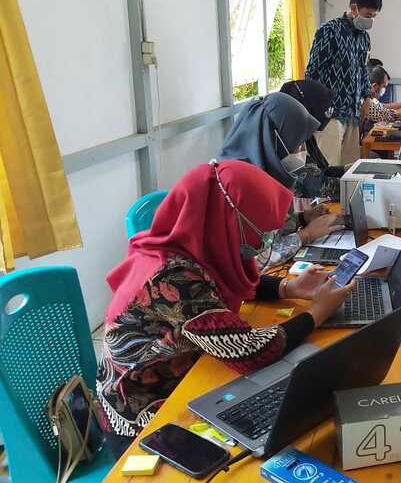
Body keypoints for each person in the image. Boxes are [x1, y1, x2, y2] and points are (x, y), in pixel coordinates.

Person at [96, 160, 354, 455]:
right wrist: (318, 312)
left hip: (185, 372)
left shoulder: (187, 245)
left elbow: (222, 280)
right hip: (142, 414)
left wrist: (287, 288)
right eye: (261, 232)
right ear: (230, 219)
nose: (265, 240)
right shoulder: (172, 278)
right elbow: (249, 350)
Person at [218, 93, 345, 265]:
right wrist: (306, 235)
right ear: (275, 140)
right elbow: (255, 260)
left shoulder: (262, 170)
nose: (302, 150)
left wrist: (302, 218)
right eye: (297, 143)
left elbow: (268, 234)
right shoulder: (237, 183)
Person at [305, 0, 382, 165]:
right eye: (368, 15)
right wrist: (319, 108)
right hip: (330, 115)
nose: (370, 20)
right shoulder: (329, 31)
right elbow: (312, 72)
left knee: (350, 169)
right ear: (354, 8)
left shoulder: (364, 37)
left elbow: (363, 70)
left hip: (353, 115)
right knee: (328, 167)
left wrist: (367, 96)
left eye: (374, 16)